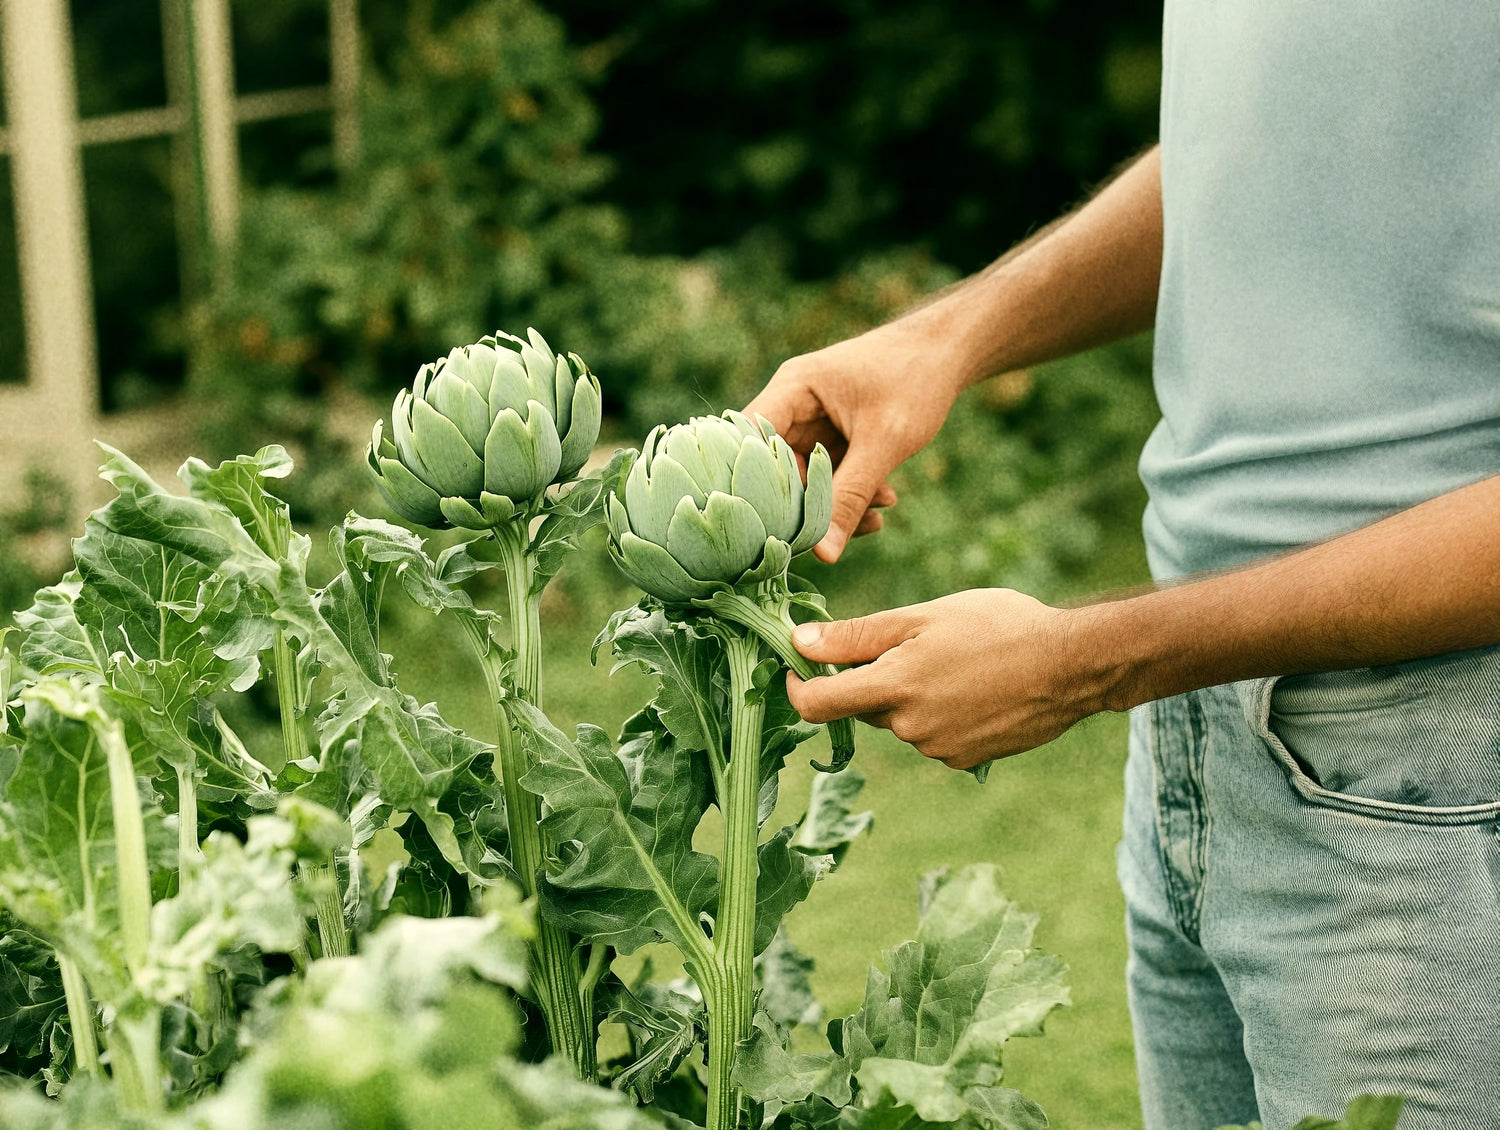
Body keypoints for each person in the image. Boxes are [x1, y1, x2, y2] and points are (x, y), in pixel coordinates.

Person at [745, 5, 1500, 1129]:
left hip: (1425, 782)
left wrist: (1086, 662)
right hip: (1192, 749)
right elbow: (1256, 153)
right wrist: (946, 335)